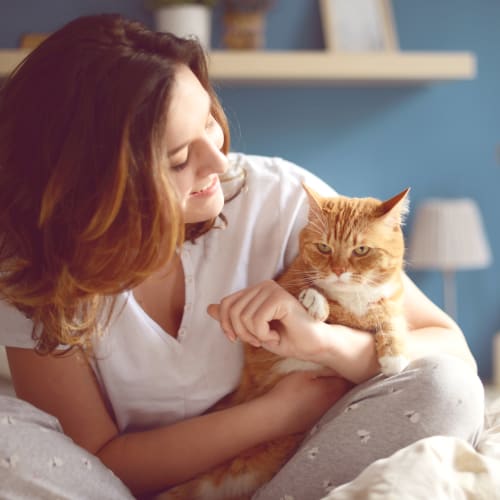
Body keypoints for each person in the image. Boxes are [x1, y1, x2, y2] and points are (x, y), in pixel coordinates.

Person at [0, 13, 484, 500]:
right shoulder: (32, 270)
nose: (218, 160)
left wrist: (325, 345)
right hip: (124, 486)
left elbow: (447, 346)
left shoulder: (280, 198)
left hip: (293, 466)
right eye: (178, 158)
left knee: (449, 389)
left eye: (209, 121)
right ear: (98, 185)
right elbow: (97, 458)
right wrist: (281, 411)